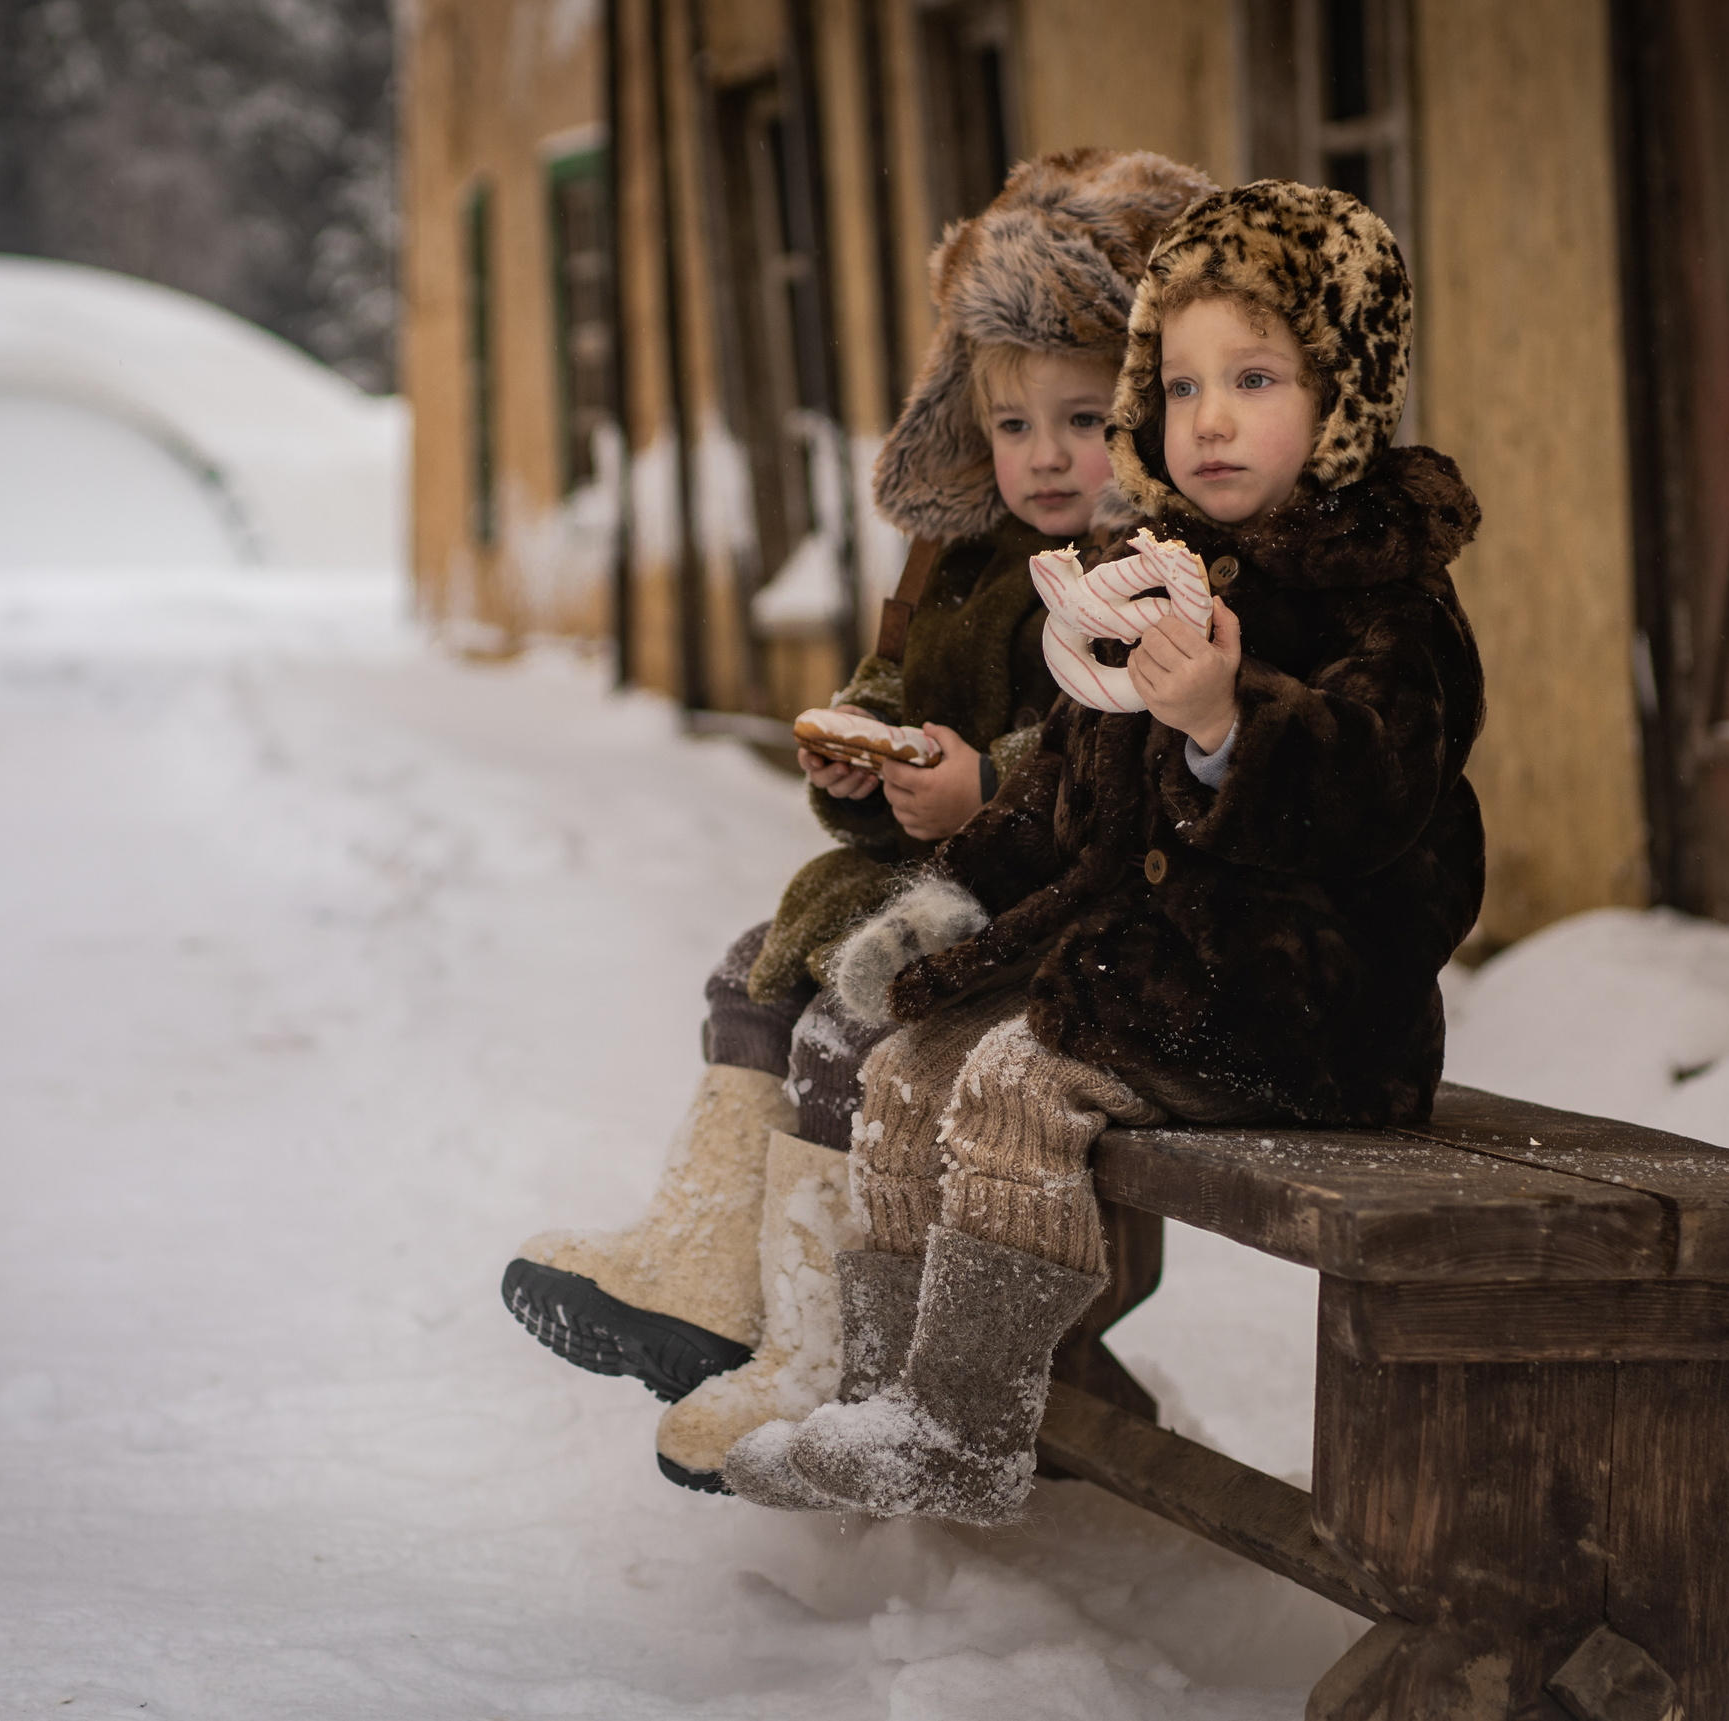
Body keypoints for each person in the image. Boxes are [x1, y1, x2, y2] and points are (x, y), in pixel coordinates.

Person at [723, 180, 1489, 1525]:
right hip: (1163, 978)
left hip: (1312, 1010)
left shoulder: (1385, 602)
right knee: (910, 1065)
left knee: (1022, 1080)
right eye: (1182, 385)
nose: (1210, 418)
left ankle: (961, 1427)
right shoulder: (1151, 570)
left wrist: (1227, 726)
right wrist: (963, 885)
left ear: (1346, 398)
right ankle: (886, 1392)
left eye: (1254, 379)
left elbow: (1380, 798)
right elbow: (1071, 796)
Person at [500, 148, 1217, 1493]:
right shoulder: (969, 557)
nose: (1044, 456)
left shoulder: (1140, 576)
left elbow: (1111, 753)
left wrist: (983, 787)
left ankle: (822, 1353)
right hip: (956, 885)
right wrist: (859, 739)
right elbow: (904, 681)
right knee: (754, 968)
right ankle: (709, 1272)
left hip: (1064, 915)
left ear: (1144, 411)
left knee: (850, 1023)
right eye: (1013, 426)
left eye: (1083, 421)